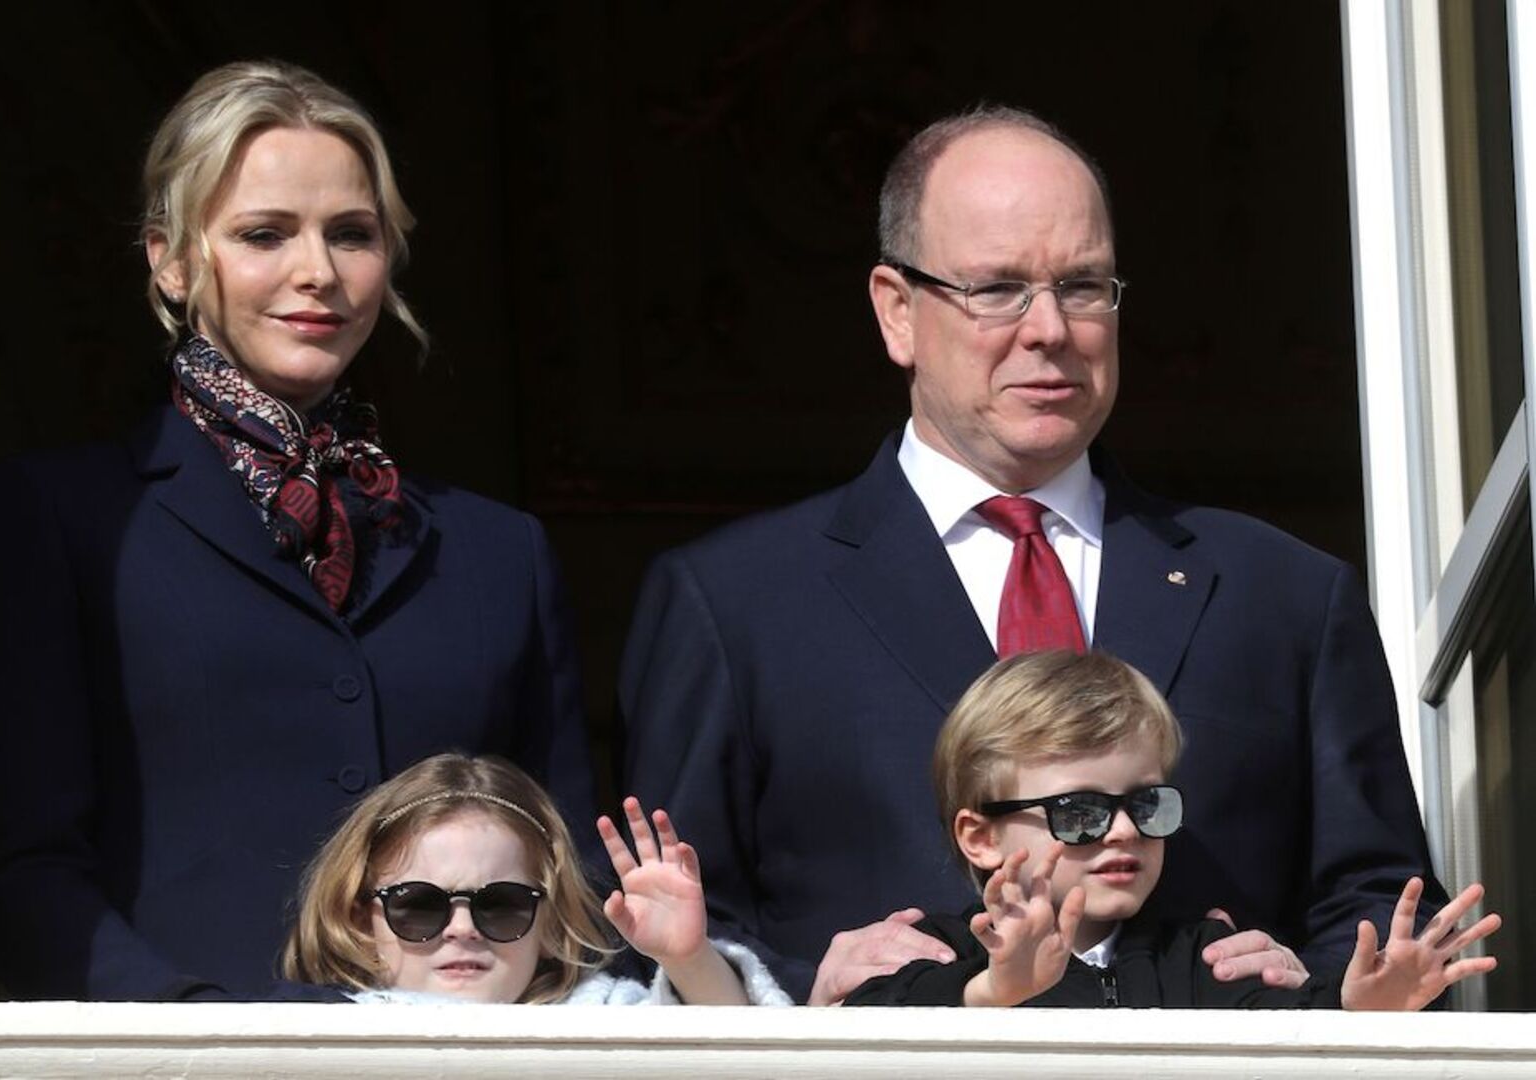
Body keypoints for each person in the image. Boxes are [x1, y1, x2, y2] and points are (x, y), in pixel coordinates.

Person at [619, 104, 1445, 1004]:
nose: (1049, 327)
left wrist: (1316, 994)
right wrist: (804, 992)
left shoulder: (1280, 592)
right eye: (998, 288)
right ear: (897, 313)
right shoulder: (735, 602)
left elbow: (1382, 910)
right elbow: (655, 931)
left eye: (1084, 286)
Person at [0, 61, 594, 1000]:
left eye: (351, 234)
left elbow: (572, 884)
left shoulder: (496, 554)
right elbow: (19, 865)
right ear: (171, 259)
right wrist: (196, 1035)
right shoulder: (62, 520)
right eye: (265, 235)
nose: (318, 272)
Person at [845, 651, 1497, 1009]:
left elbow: (1283, 1028)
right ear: (980, 836)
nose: (1124, 831)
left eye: (1147, 805)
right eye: (1080, 813)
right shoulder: (937, 953)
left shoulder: (1200, 951)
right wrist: (992, 990)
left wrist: (1362, 1007)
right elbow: (860, 1034)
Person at [285, 753, 789, 1004]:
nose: (462, 929)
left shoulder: (601, 1018)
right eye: (419, 905)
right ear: (360, 922)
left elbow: (742, 1063)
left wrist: (689, 961)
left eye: (501, 904)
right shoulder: (319, 1033)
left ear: (551, 924)